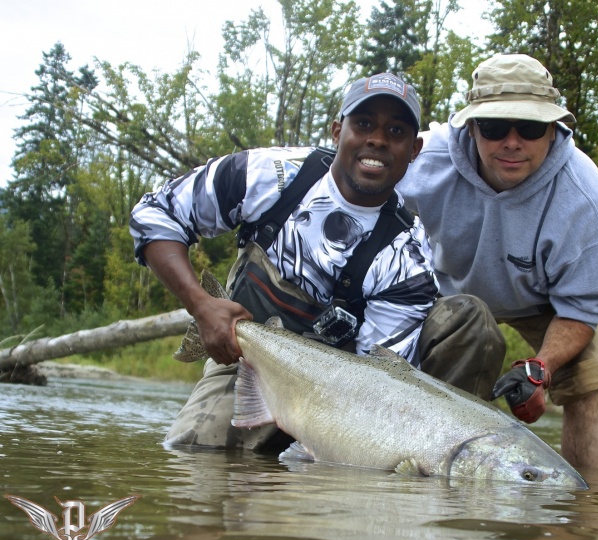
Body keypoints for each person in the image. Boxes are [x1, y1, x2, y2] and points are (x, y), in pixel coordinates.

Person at [130, 72, 488, 452]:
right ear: (337, 131)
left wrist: (319, 455)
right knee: (195, 455)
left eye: (396, 131)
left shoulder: (409, 260)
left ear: (414, 150)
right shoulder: (268, 175)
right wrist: (201, 306)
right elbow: (155, 214)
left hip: (340, 392)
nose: (378, 140)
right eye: (364, 124)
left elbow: (377, 386)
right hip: (245, 362)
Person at [399, 54, 598, 470]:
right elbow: (352, 191)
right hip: (448, 292)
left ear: (554, 130)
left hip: (546, 302)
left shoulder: (587, 198)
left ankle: (586, 509)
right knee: (414, 371)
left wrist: (542, 367)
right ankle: (424, 477)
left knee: (586, 381)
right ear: (471, 126)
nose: (512, 142)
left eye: (531, 128)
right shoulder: (422, 162)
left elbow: (584, 307)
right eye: (495, 127)